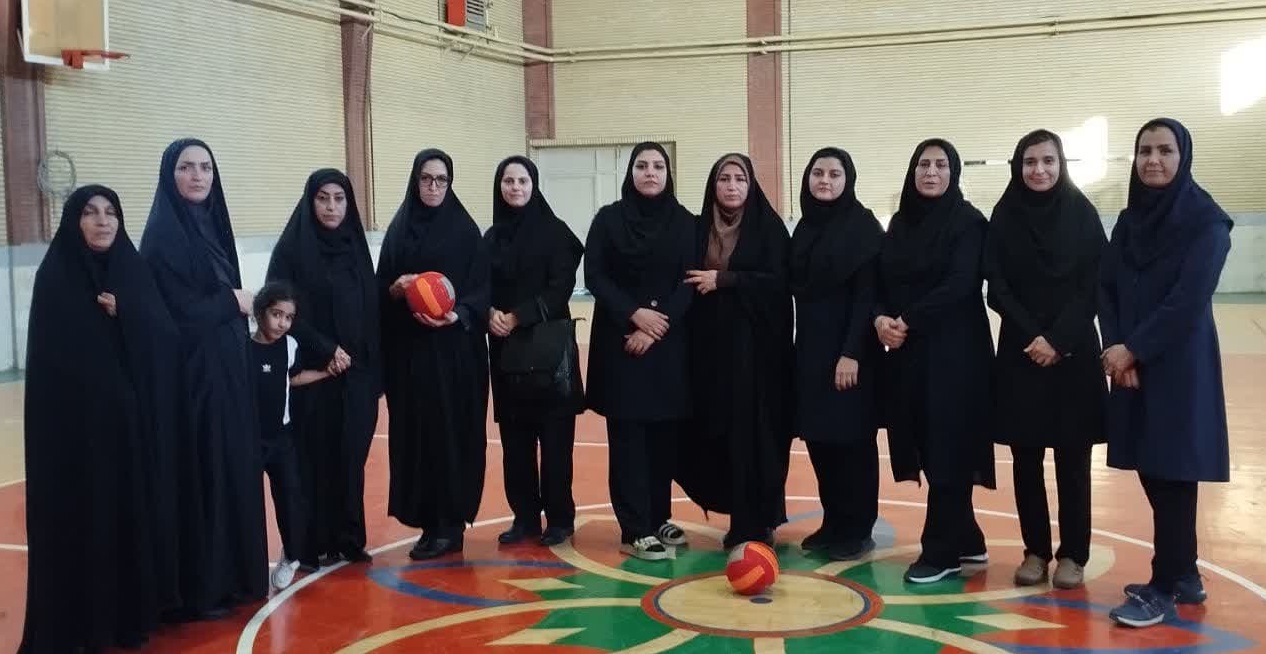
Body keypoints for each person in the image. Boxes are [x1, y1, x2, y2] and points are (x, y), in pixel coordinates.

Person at [21, 186, 179, 652]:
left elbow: (165, 339)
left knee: (125, 520)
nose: (102, 221)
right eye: (90, 213)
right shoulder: (57, 277)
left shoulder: (132, 270)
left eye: (111, 212)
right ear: (75, 221)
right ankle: (80, 625)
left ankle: (126, 617)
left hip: (127, 432)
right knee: (82, 523)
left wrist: (126, 311)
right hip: (74, 437)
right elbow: (53, 366)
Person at [1100, 118, 1232, 627]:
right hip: (1130, 363)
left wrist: (1134, 349)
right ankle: (1186, 575)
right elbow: (1106, 286)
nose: (1153, 160)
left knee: (1173, 472)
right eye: (1145, 151)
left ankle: (1162, 586)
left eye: (1165, 150)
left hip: (1178, 367)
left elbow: (1188, 301)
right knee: (1152, 468)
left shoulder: (1206, 223)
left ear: (1184, 156)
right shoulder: (1129, 221)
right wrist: (1117, 347)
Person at [139, 138, 268, 618]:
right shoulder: (163, 237)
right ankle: (206, 586)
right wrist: (231, 301)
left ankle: (237, 576)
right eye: (186, 167)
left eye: (205, 168)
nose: (197, 176)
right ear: (169, 175)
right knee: (207, 473)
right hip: (192, 380)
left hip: (228, 372)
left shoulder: (213, 224)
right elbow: (172, 313)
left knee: (233, 466)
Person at [985, 129, 1107, 589]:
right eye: (1030, 161)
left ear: (1061, 164)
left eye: (1048, 161)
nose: (1039, 170)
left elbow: (1094, 284)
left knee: (1073, 459)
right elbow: (996, 286)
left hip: (1073, 353)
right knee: (1026, 458)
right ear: (1018, 166)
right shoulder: (1005, 215)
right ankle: (1035, 551)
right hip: (1021, 354)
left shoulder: (1082, 214)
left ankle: (1073, 554)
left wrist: (1057, 339)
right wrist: (1033, 335)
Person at [875, 138, 995, 584]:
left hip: (956, 356)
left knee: (949, 446)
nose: (931, 172)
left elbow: (960, 284)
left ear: (954, 172)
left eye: (941, 165)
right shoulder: (901, 223)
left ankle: (941, 552)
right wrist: (881, 319)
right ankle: (967, 538)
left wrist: (906, 319)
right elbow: (882, 279)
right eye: (923, 164)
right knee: (927, 443)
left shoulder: (968, 222)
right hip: (909, 354)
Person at [585, 142, 695, 561]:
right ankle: (634, 528)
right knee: (629, 439)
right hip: (622, 346)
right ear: (630, 173)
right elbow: (595, 275)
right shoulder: (608, 220)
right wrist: (633, 314)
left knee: (664, 438)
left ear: (668, 174)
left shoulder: (686, 223)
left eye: (658, 166)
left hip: (666, 345)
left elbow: (689, 281)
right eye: (642, 166)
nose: (650, 172)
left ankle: (659, 516)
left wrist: (656, 325)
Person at [378, 148, 490, 560]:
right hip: (411, 358)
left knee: (451, 436)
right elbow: (380, 289)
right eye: (426, 179)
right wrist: (395, 289)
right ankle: (428, 522)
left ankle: (450, 525)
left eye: (441, 179)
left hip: (455, 357)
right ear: (415, 181)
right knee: (418, 438)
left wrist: (458, 314)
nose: (433, 186)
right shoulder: (398, 231)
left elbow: (483, 289)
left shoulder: (465, 231)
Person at [267, 169, 381, 567]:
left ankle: (348, 538)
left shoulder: (355, 246)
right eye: (323, 198)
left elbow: (370, 310)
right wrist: (326, 348)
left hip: (357, 375)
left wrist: (372, 372)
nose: (332, 207)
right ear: (310, 201)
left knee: (350, 458)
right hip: (313, 375)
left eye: (339, 198)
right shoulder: (291, 250)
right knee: (312, 459)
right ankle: (309, 544)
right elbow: (281, 310)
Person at [679, 152, 793, 549]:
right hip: (709, 351)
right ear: (713, 185)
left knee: (755, 437)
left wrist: (725, 280)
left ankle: (758, 521)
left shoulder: (769, 229)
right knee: (717, 433)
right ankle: (735, 514)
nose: (731, 186)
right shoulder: (697, 229)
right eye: (724, 178)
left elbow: (779, 283)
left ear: (751, 185)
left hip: (756, 355)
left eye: (739, 178)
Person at [485, 155, 585, 547]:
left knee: (556, 441)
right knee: (515, 443)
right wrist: (490, 313)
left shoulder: (556, 234)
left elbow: (560, 288)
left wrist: (517, 317)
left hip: (549, 353)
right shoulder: (492, 238)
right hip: (507, 354)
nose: (515, 188)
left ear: (534, 185)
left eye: (522, 181)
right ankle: (524, 517)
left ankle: (560, 518)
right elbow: (479, 285)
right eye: (508, 181)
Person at [790, 148, 885, 561]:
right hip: (811, 350)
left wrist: (852, 352)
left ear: (848, 180)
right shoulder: (805, 228)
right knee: (820, 439)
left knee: (853, 443)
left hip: (851, 351)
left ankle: (858, 528)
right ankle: (833, 521)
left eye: (834, 174)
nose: (825, 181)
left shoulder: (862, 227)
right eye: (818, 173)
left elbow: (867, 296)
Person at [249, 282, 335, 590]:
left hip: (281, 439)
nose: (282, 323)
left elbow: (294, 378)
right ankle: (248, 565)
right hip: (249, 440)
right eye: (276, 314)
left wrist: (325, 372)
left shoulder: (290, 346)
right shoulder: (242, 346)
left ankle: (291, 555)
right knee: (248, 503)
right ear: (260, 313)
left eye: (288, 317)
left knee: (290, 497)